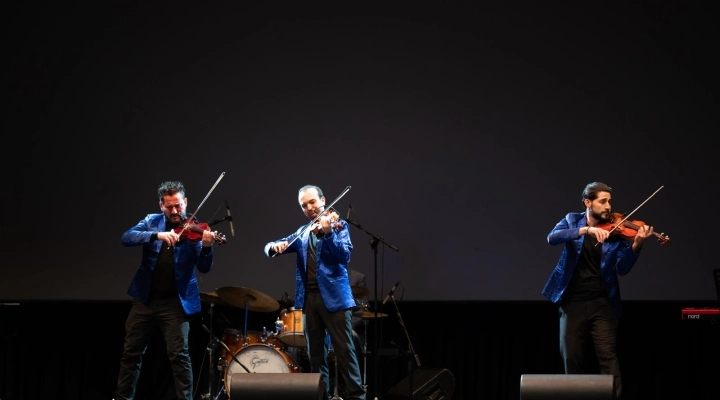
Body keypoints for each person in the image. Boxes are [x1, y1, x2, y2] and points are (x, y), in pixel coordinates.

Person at [542, 182, 654, 400]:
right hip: (572, 302)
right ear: (588, 203)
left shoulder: (618, 231)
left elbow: (622, 268)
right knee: (571, 358)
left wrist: (636, 246)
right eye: (603, 201)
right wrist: (586, 230)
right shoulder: (572, 220)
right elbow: (552, 238)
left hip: (603, 304)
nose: (608, 206)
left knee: (608, 358)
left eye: (610, 201)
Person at [114, 180, 219, 400]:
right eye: (169, 206)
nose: (175, 211)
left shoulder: (195, 230)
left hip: (175, 303)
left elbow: (204, 267)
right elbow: (127, 238)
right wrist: (157, 235)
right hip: (145, 299)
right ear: (161, 205)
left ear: (186, 202)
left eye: (178, 205)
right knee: (131, 354)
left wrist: (207, 247)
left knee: (179, 358)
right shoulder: (151, 221)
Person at [264, 185, 365, 400]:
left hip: (335, 299)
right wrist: (274, 247)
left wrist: (328, 233)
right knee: (315, 355)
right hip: (309, 300)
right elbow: (270, 245)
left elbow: (344, 256)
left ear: (323, 200)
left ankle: (357, 396)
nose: (309, 208)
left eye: (312, 202)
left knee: (345, 352)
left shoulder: (339, 226)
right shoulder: (303, 231)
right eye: (304, 205)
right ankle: (322, 396)